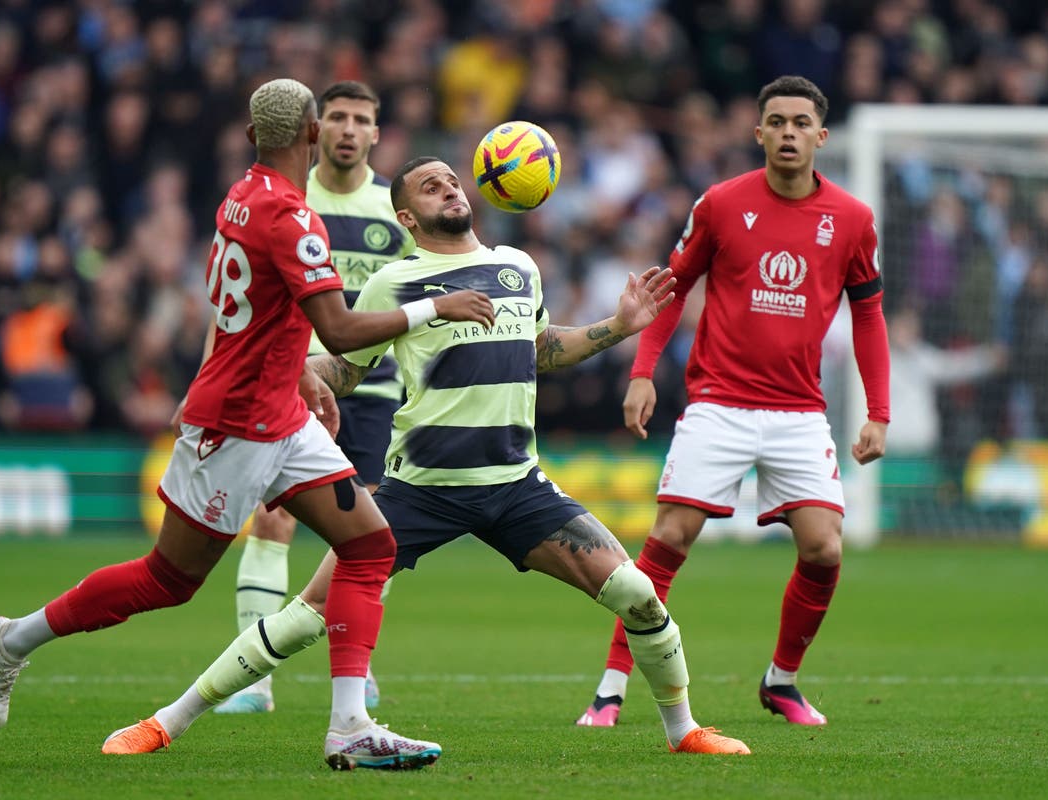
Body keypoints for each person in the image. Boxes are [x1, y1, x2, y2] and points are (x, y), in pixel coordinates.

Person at [99, 156, 751, 762]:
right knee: (305, 617)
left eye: (450, 179)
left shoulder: (518, 267)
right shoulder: (395, 281)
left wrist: (618, 326)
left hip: (516, 487)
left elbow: (544, 347)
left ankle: (683, 730)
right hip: (421, 491)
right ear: (406, 218)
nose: (448, 187)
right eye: (429, 185)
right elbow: (346, 370)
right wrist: (284, 372)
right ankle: (167, 722)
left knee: (638, 596)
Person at [0, 79, 496, 771]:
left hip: (280, 408)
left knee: (370, 547)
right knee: (168, 580)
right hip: (238, 425)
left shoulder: (241, 195)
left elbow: (253, 313)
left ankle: (350, 726)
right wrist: (437, 307)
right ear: (311, 133)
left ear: (252, 138)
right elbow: (336, 329)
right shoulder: (293, 217)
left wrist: (299, 375)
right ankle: (13, 640)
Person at [575, 75, 890, 729]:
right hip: (719, 402)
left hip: (800, 412)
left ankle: (782, 682)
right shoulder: (720, 204)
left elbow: (869, 317)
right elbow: (671, 286)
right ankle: (609, 688)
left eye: (801, 123)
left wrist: (878, 411)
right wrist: (642, 371)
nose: (788, 133)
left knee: (825, 548)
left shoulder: (854, 221)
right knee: (668, 538)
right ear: (758, 133)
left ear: (821, 137)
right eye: (776, 122)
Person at [214, 80, 414, 715]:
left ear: (377, 134)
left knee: (363, 534)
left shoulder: (397, 208)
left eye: (362, 119)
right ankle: (252, 680)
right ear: (314, 128)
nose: (349, 129)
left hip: (377, 391)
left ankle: (360, 663)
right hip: (293, 385)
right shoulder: (291, 200)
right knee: (271, 520)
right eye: (337, 118)